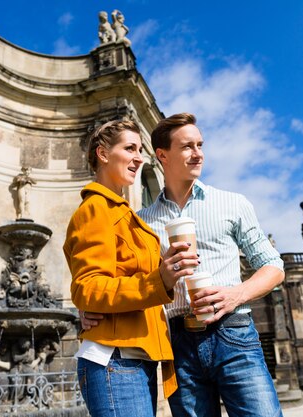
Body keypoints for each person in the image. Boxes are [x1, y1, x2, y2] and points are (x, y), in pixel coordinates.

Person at [82, 113, 285, 417]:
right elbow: (123, 280)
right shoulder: (141, 221)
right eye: (187, 146)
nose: (198, 153)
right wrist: (91, 306)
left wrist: (236, 295)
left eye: (200, 145)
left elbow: (273, 266)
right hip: (177, 344)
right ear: (162, 155)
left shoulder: (232, 203)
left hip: (234, 333)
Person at [63, 120, 200, 417]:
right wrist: (159, 279)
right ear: (102, 154)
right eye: (130, 148)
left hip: (135, 358)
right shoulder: (96, 209)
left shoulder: (123, 214)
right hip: (115, 359)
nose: (139, 157)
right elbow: (88, 288)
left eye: (140, 150)